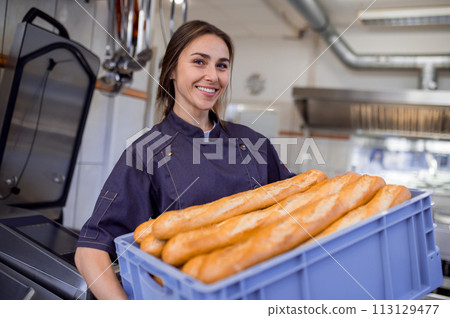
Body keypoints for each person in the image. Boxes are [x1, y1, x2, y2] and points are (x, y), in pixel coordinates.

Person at [74, 20, 294, 300]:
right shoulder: (147, 150)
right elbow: (90, 251)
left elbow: (299, 207)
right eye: (199, 62)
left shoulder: (252, 142)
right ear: (172, 71)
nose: (213, 76)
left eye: (222, 66)